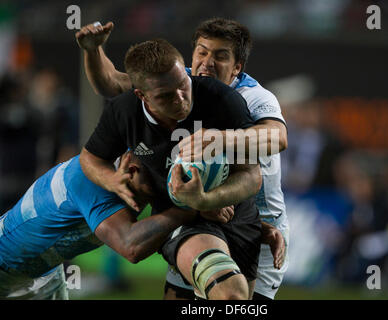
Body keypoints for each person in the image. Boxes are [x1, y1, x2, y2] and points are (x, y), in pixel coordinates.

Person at [76, 17, 289, 300]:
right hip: (195, 218)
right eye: (202, 52)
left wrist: (219, 138)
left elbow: (278, 138)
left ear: (237, 67)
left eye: (220, 56)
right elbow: (114, 84)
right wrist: (93, 51)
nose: (207, 62)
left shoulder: (252, 97)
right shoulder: (177, 81)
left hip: (254, 221)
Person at [0, 151, 230, 299]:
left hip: (44, 275)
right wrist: (191, 208)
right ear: (131, 167)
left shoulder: (130, 177)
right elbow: (130, 246)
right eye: (156, 183)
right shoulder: (89, 180)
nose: (164, 190)